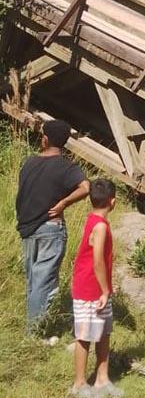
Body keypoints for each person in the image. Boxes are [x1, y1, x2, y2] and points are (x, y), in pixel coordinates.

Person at [16, 119, 89, 334]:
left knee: (33, 280)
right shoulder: (67, 167)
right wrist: (64, 202)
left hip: (27, 229)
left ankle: (32, 331)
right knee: (43, 282)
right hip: (50, 228)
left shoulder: (29, 163)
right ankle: (34, 332)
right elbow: (86, 187)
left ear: (45, 139)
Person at [70, 178, 121, 398]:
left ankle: (102, 378)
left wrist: (106, 289)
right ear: (114, 202)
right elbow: (98, 261)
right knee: (84, 336)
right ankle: (79, 383)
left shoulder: (94, 219)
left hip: (99, 290)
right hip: (89, 289)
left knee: (103, 332)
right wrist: (105, 290)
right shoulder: (100, 226)